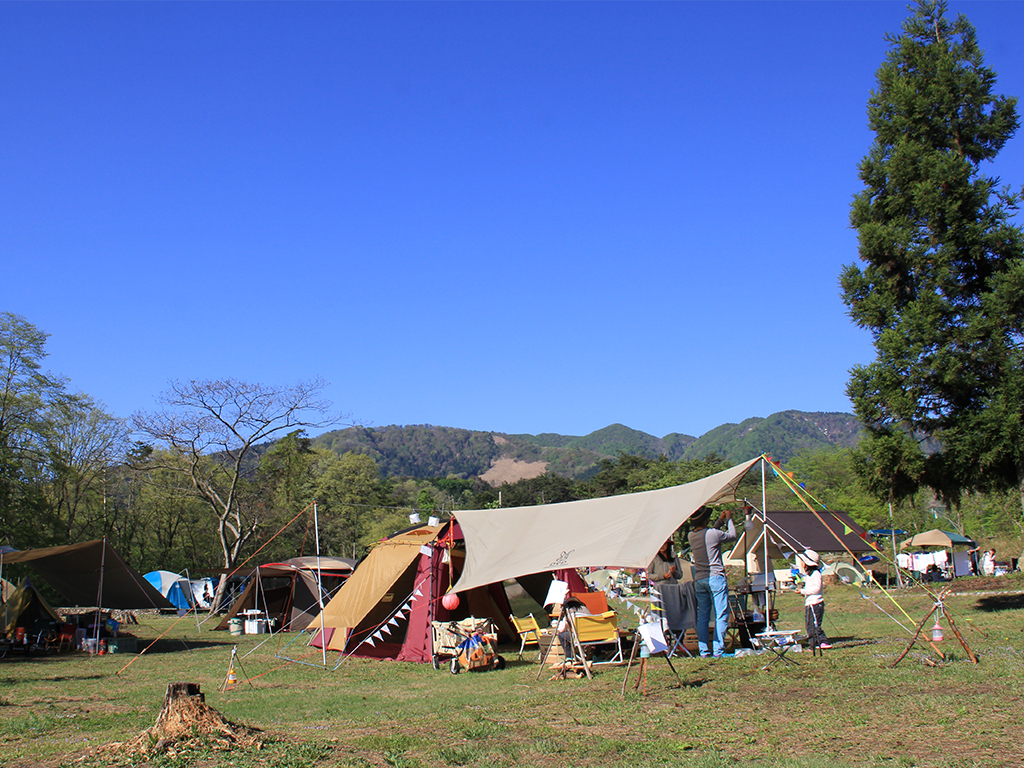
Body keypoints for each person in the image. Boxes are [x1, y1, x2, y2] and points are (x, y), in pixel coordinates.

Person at [687, 505, 738, 658]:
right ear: (706, 519)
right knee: (721, 614)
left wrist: (719, 521)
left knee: (703, 616)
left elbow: (709, 534)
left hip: (700, 579)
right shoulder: (713, 534)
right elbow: (732, 536)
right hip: (715, 577)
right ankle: (718, 650)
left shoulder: (691, 535)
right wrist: (729, 520)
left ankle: (704, 650)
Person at [796, 549, 830, 650]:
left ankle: (823, 641)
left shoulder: (816, 574)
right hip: (810, 603)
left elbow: (816, 589)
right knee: (809, 625)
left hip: (816, 603)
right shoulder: (809, 576)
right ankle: (813, 644)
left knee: (814, 625)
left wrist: (803, 591)